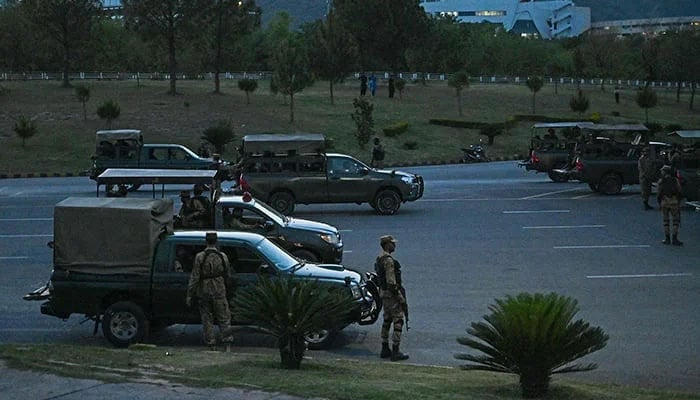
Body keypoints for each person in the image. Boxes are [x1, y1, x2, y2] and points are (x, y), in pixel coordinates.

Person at [186, 232, 233, 350]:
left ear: (205, 241)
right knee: (224, 317)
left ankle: (211, 344)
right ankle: (227, 343)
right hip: (219, 289)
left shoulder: (200, 257)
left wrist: (189, 294)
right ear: (216, 241)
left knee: (207, 318)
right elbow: (228, 274)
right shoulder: (223, 256)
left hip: (204, 289)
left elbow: (195, 277)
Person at [375, 235, 409, 362]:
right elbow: (391, 282)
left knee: (387, 320)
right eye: (392, 243)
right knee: (398, 321)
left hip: (384, 294)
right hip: (391, 295)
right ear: (387, 244)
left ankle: (384, 347)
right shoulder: (388, 260)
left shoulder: (379, 258)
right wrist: (400, 297)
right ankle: (395, 350)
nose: (394, 246)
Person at [657, 166, 683, 246]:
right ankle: (674, 238)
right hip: (674, 202)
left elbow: (658, 193)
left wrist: (660, 203)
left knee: (666, 221)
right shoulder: (675, 180)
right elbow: (679, 190)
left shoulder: (661, 181)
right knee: (675, 221)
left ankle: (667, 239)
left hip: (664, 202)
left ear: (665, 172)